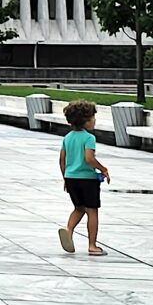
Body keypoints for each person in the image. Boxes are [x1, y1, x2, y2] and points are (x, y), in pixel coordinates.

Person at [57, 100, 109, 256]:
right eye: (92, 118)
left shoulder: (67, 137)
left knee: (79, 208)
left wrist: (65, 178)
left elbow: (62, 160)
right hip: (87, 179)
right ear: (85, 121)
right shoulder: (89, 138)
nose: (94, 121)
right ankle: (92, 246)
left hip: (71, 177)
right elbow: (89, 158)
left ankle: (68, 231)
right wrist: (103, 169)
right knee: (92, 211)